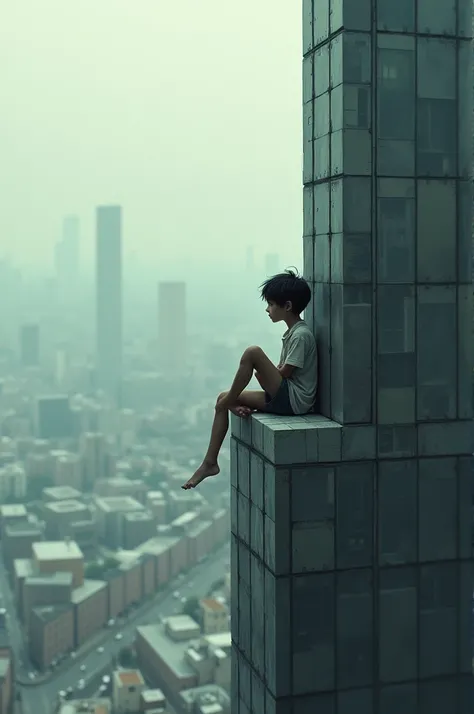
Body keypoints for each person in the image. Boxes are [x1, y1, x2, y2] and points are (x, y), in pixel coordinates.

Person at [182, 269, 317, 490]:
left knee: (252, 352)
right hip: (287, 397)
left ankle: (230, 404)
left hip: (295, 401)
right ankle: (209, 463)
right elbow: (282, 372)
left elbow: (285, 373)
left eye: (271, 304)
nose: (268, 309)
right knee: (222, 397)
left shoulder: (301, 335)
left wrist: (265, 376)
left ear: (288, 306)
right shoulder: (294, 333)